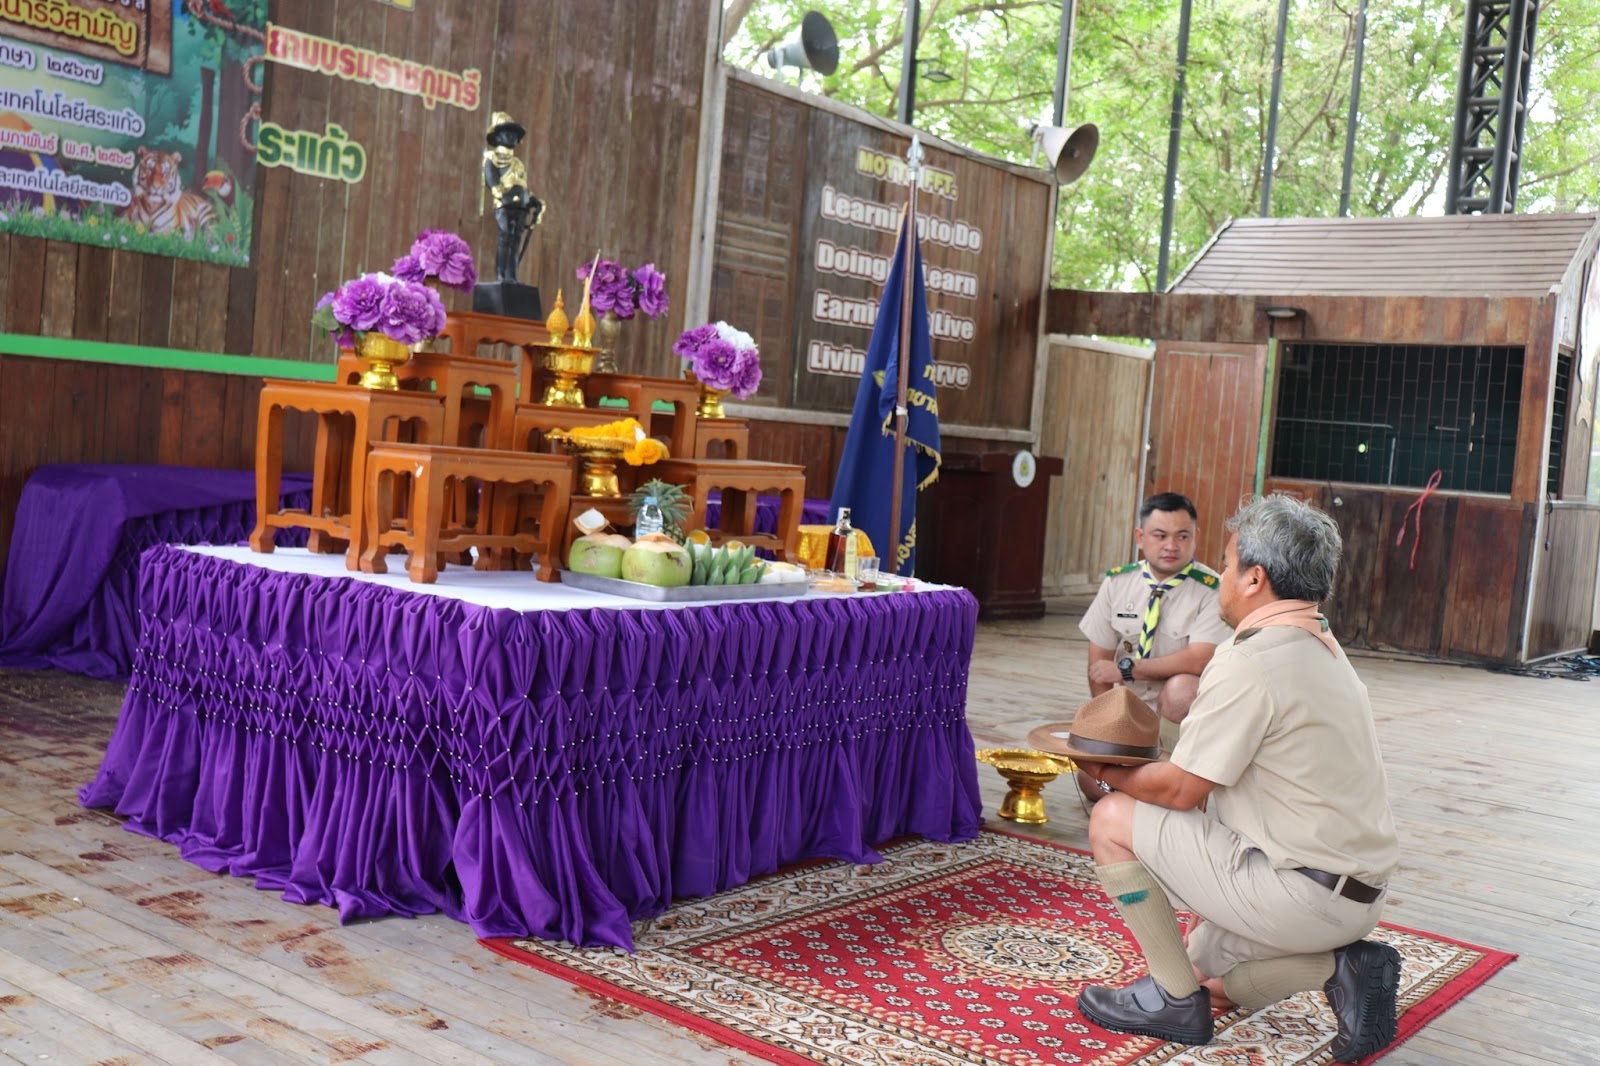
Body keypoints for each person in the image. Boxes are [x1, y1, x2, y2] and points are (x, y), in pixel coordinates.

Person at [1071, 494, 1401, 1063]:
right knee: (1203, 972)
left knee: (1110, 818)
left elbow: (1180, 791)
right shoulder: (1322, 644)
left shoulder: (1250, 657)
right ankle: (1342, 966)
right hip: (1358, 893)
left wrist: (1100, 771)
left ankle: (1173, 1002)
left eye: (1226, 565)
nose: (1221, 578)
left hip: (1300, 895)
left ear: (1254, 578)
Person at [1076, 492, 1231, 796]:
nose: (1171, 546)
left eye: (1182, 536)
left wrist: (1128, 670)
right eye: (1160, 536)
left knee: (1181, 689)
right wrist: (1108, 730)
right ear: (1140, 537)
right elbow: (1098, 668)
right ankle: (1143, 786)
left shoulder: (1212, 589)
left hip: (1182, 716)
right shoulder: (1117, 583)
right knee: (1090, 783)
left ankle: (1176, 773)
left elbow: (1198, 660)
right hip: (1130, 711)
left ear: (1195, 537)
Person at [482, 111, 545, 283]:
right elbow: (491, 178)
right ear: (497, 136)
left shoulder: (518, 164)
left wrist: (532, 200)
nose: (511, 136)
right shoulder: (492, 157)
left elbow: (522, 184)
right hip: (505, 204)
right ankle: (501, 275)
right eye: (506, 132)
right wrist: (501, 195)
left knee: (516, 239)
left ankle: (512, 275)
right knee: (505, 238)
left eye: (514, 134)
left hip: (521, 206)